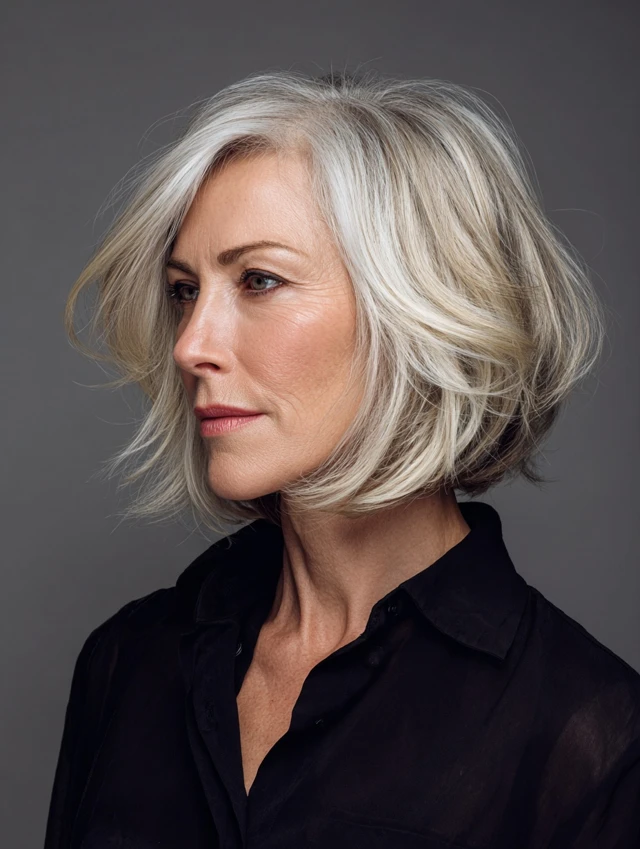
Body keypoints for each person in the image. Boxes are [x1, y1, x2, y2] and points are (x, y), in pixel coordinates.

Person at [44, 69, 640, 849]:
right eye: (185, 290)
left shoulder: (589, 739)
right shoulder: (128, 662)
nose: (190, 345)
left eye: (259, 280)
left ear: (417, 309)